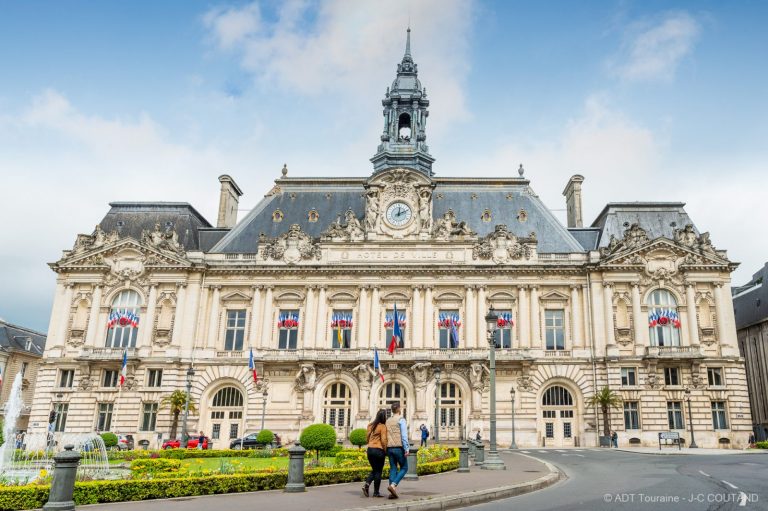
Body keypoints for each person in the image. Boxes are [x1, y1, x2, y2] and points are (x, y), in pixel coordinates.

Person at [385, 402, 409, 499]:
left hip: (389, 447)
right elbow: (404, 436)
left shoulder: (388, 420)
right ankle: (393, 485)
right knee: (404, 467)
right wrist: (407, 448)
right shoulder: (401, 420)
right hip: (398, 447)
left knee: (393, 468)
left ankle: (392, 492)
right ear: (399, 409)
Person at [363, 409, 388, 498]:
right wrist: (385, 450)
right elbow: (384, 440)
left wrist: (369, 443)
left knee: (375, 469)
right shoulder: (382, 426)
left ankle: (367, 484)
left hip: (370, 450)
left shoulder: (370, 425)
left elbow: (367, 437)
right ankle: (376, 492)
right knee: (378, 472)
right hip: (378, 450)